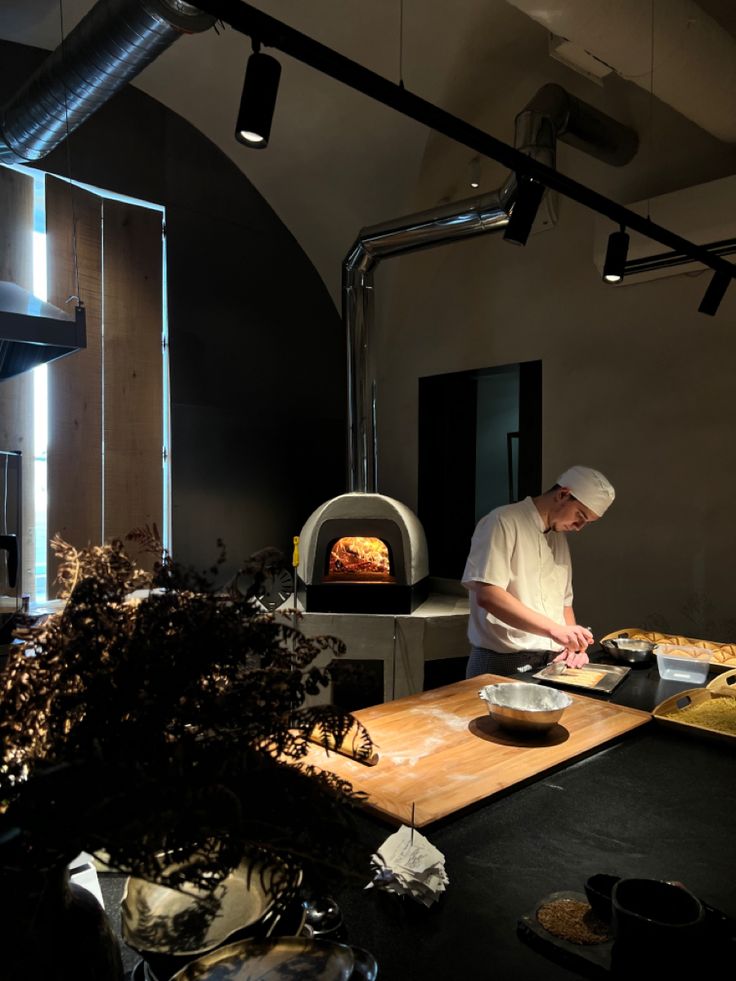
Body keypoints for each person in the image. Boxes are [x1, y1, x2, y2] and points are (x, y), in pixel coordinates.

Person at [463, 465, 615, 678]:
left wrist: (572, 645)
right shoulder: (502, 522)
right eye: (579, 515)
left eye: (586, 522)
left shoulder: (557, 538)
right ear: (563, 494)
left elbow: (564, 603)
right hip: (501, 661)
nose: (579, 527)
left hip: (550, 661)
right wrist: (555, 630)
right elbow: (488, 595)